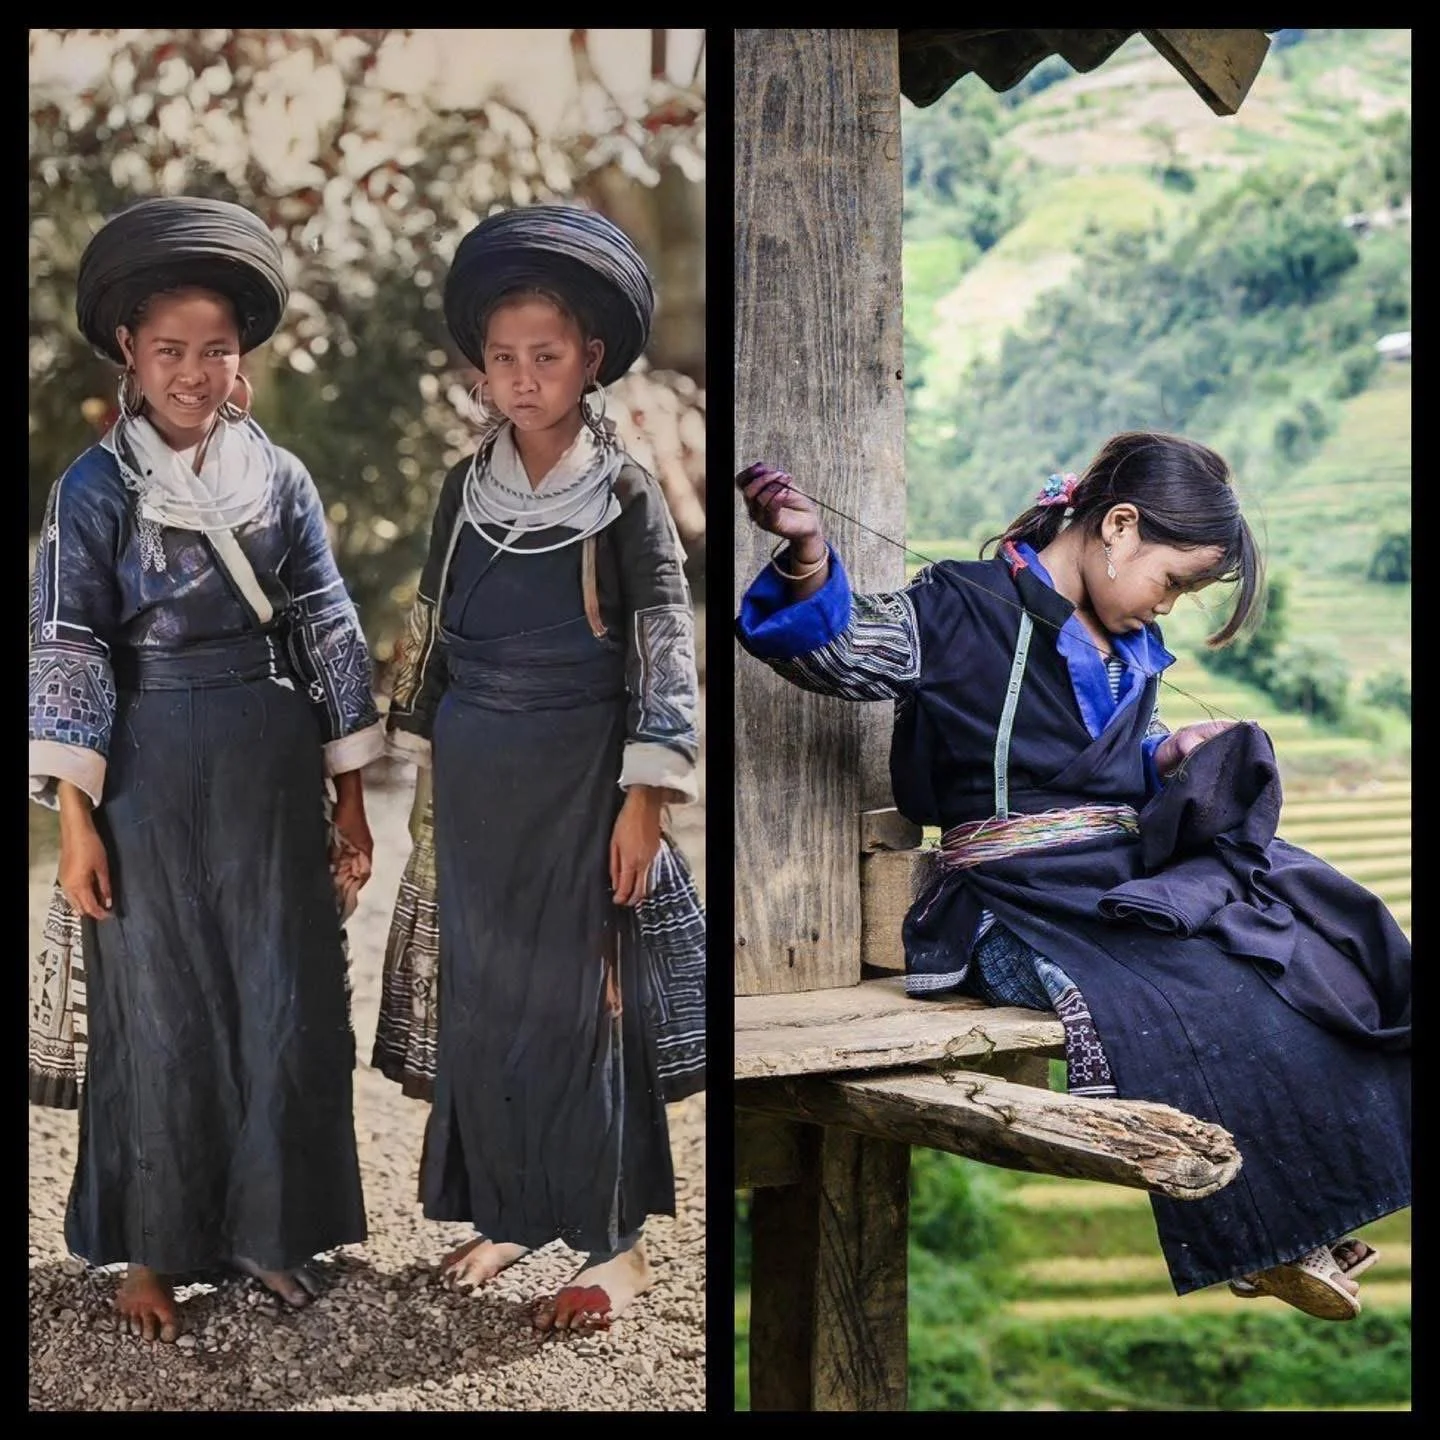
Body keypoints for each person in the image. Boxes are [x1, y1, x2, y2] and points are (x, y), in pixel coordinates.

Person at [735, 433, 1410, 1321]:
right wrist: (808, 556)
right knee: (1201, 985)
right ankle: (1263, 1231)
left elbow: (1107, 764)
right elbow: (835, 654)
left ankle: (1305, 1206)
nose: (1166, 607)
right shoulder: (958, 609)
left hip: (1111, 884)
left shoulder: (1130, 644)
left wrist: (1168, 751)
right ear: (1119, 528)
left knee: (1310, 933)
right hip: (1009, 908)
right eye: (1173, 582)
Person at [28, 195, 384, 1343]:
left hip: (269, 762)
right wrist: (76, 822)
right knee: (158, 1008)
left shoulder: (278, 483)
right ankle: (150, 1253)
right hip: (141, 766)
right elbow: (70, 647)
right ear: (128, 349)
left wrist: (349, 801)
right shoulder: (92, 493)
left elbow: (328, 630)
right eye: (170, 349)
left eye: (216, 350)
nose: (192, 372)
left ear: (243, 360)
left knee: (288, 1001)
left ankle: (273, 1239)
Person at [376, 204, 704, 1333]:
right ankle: (511, 1207)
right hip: (477, 782)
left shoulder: (623, 496)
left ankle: (616, 1248)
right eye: (503, 359)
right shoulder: (464, 492)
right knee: (488, 999)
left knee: (588, 1003)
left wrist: (645, 800)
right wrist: (418, 779)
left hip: (583, 777)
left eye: (546, 357)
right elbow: (431, 635)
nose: (522, 379)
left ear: (591, 361)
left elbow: (665, 641)